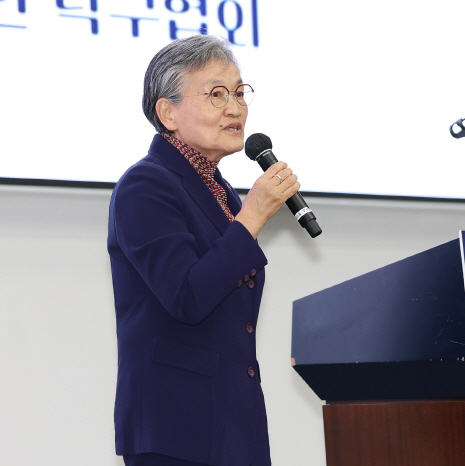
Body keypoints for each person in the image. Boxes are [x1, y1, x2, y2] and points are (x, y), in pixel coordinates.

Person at [107, 35, 300, 466]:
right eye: (216, 94)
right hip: (177, 429)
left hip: (234, 426)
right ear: (168, 112)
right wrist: (252, 217)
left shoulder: (220, 192)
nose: (235, 108)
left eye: (239, 93)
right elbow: (187, 296)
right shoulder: (145, 184)